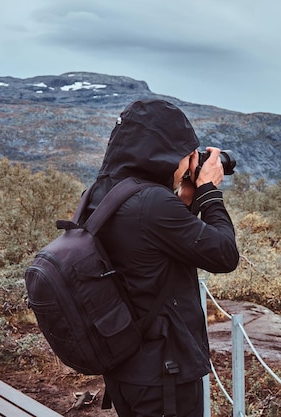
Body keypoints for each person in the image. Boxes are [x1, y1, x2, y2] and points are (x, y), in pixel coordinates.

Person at [83, 99, 240, 417]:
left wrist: (183, 200)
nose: (190, 161)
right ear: (164, 152)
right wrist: (208, 190)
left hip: (127, 366)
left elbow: (148, 248)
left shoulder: (103, 193)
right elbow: (225, 254)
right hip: (164, 375)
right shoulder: (152, 204)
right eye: (187, 153)